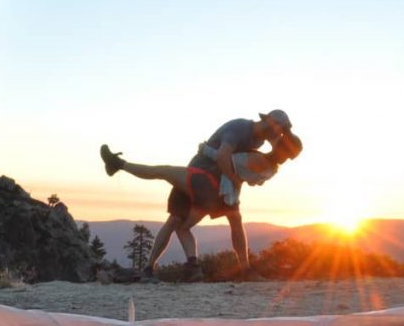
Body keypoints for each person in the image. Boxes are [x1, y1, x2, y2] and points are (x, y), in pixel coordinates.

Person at [103, 110, 293, 281]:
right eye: (279, 130)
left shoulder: (260, 138)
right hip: (202, 174)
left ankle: (164, 267)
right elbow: (222, 156)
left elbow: (248, 157)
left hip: (218, 181)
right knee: (179, 218)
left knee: (179, 218)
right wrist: (234, 179)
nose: (279, 135)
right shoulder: (240, 128)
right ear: (270, 124)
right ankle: (237, 268)